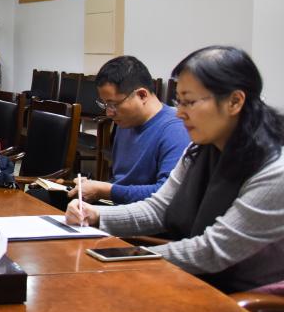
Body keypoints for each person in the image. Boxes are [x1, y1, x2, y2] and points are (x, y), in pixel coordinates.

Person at [67, 46, 284, 293]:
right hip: (194, 279)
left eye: (189, 102)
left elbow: (212, 251)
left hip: (241, 299)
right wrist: (96, 215)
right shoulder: (199, 148)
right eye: (179, 102)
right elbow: (160, 208)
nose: (179, 113)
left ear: (235, 101)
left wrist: (125, 257)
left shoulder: (274, 170)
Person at [71, 56, 190, 205]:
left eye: (113, 104)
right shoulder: (126, 122)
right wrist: (94, 187)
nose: (109, 113)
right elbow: (122, 181)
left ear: (142, 95)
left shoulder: (175, 130)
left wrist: (106, 190)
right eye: (105, 104)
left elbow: (167, 194)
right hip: (118, 205)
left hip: (144, 213)